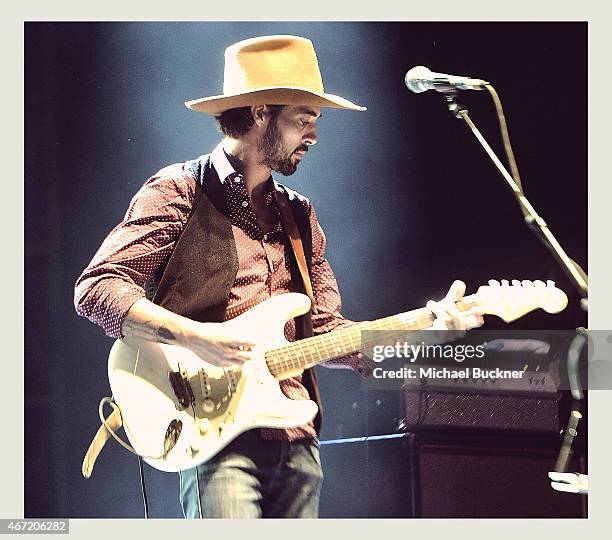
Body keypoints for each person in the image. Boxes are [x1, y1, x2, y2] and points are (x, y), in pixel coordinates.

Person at [74, 35, 483, 518]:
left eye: (315, 121)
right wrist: (197, 336)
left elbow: (329, 333)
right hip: (214, 437)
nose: (313, 135)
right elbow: (98, 288)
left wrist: (420, 337)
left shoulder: (299, 216)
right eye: (303, 119)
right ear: (261, 112)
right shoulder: (178, 190)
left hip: (297, 438)